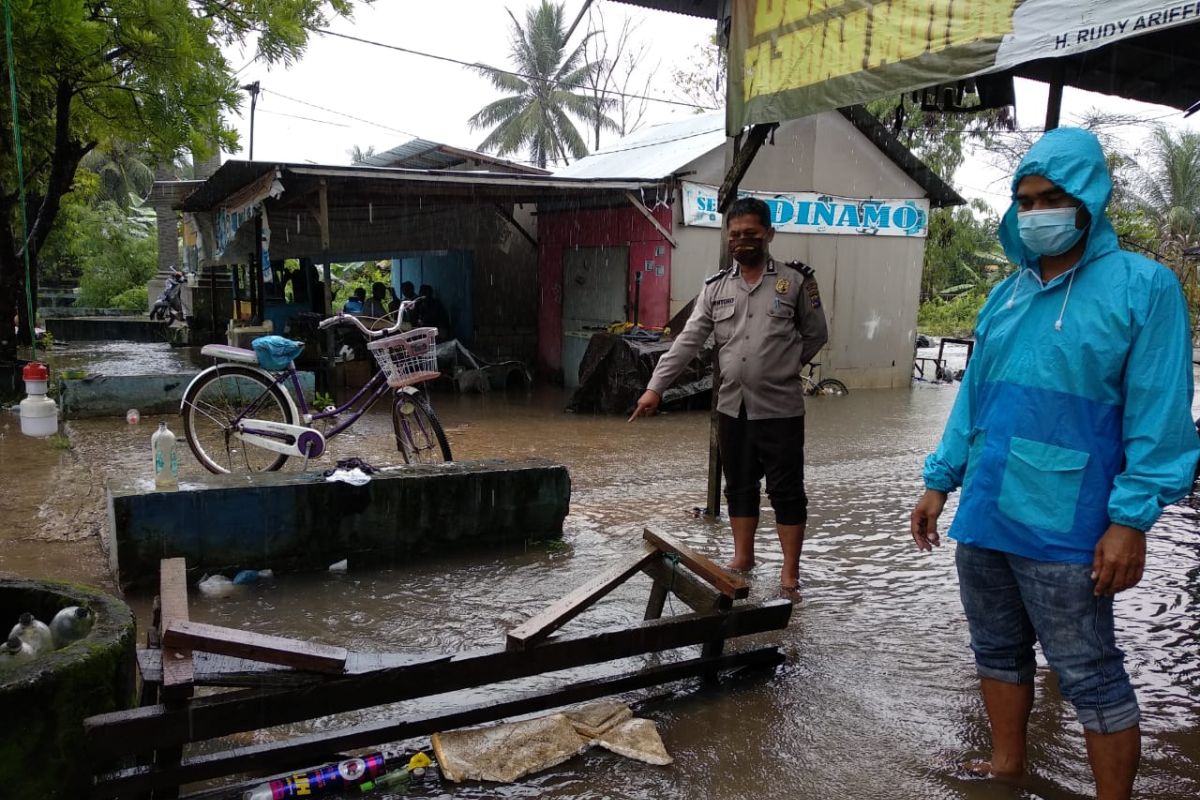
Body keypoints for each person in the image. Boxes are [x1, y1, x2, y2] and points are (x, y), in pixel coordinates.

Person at [909, 128, 1199, 800]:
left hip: (1070, 524)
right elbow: (973, 399)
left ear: (1091, 199)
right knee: (996, 652)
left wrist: (1132, 519)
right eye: (1026, 200)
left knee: (1090, 670)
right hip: (984, 513)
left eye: (1053, 198)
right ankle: (1006, 766)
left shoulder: (1144, 288)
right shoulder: (1006, 295)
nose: (1038, 212)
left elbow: (1159, 417)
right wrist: (938, 479)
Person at [629, 196, 828, 594]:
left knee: (787, 490)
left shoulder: (796, 282)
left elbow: (816, 335)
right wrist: (655, 389)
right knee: (738, 485)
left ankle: (790, 573)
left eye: (751, 234)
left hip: (781, 410)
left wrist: (782, 366)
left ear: (769, 234)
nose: (742, 241)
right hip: (731, 407)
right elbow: (687, 342)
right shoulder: (715, 289)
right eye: (735, 234)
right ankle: (743, 556)